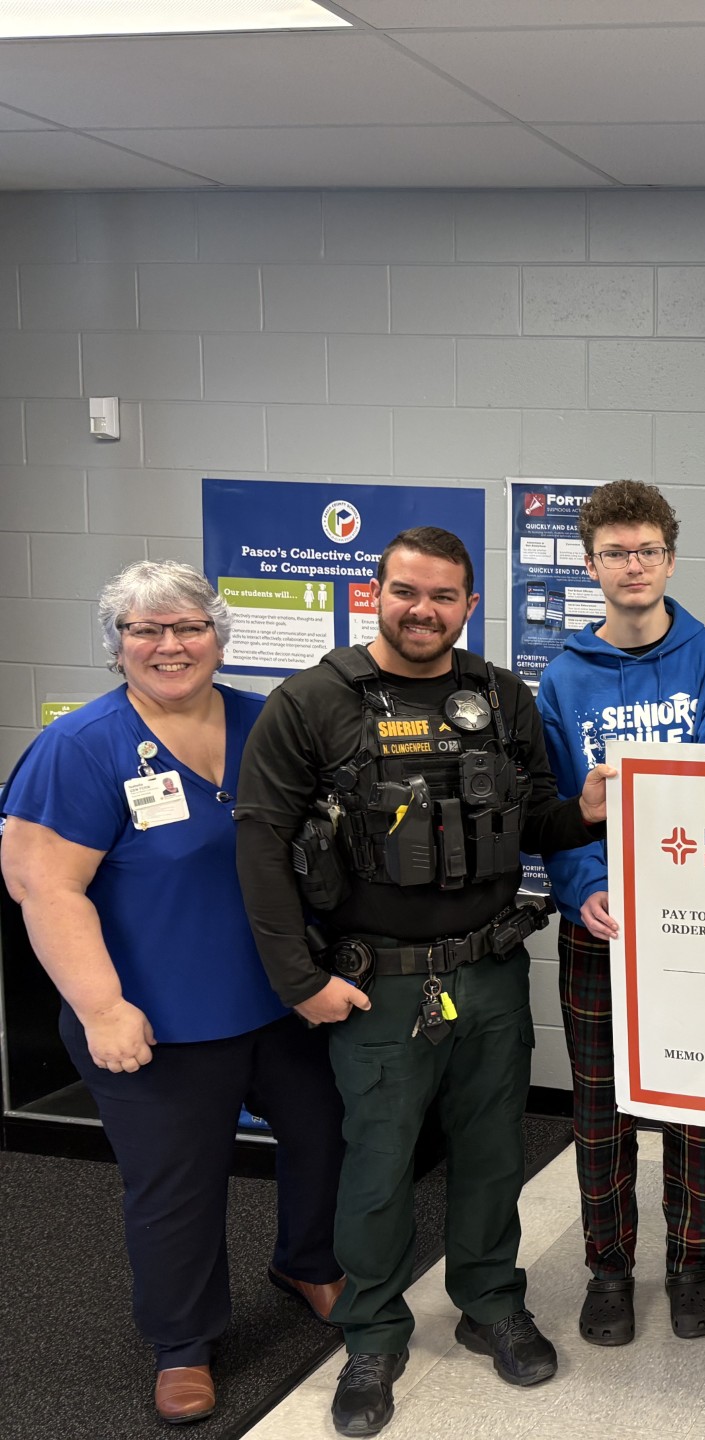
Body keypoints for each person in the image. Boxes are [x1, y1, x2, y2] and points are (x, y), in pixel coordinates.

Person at [234, 527, 612, 1439]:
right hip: (374, 986)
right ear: (377, 590)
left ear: (469, 605)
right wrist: (299, 983)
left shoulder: (500, 697)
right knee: (378, 1165)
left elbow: (536, 825)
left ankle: (491, 1302)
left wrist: (584, 812)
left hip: (487, 971)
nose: (422, 610)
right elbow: (260, 848)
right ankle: (371, 1332)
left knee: (493, 1152)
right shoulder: (311, 704)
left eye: (443, 596)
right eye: (406, 590)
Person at [0, 561, 346, 1427]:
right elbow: (44, 887)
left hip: (275, 1002)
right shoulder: (81, 748)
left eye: (187, 626)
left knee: (325, 1132)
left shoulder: (261, 720)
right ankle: (184, 1344)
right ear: (116, 645)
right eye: (144, 630)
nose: (169, 645)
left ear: (217, 635)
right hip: (154, 1021)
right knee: (177, 1186)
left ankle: (308, 1260)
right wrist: (101, 1008)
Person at [535, 479, 705, 1348]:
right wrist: (581, 885)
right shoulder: (561, 677)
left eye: (649, 551)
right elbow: (557, 804)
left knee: (692, 1104)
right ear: (592, 565)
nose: (634, 566)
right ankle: (607, 1268)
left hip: (691, 926)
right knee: (601, 1112)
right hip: (600, 923)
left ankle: (692, 1262)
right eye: (615, 554)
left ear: (670, 557)